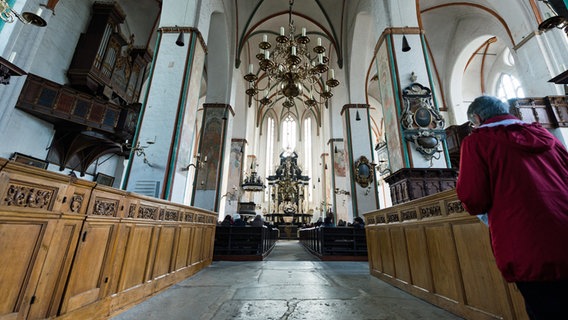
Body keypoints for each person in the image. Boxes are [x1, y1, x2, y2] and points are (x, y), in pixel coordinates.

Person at [455, 95, 568, 319]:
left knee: (545, 309)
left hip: (525, 240)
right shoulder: (544, 134)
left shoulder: (477, 141)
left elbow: (473, 197)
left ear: (476, 118)